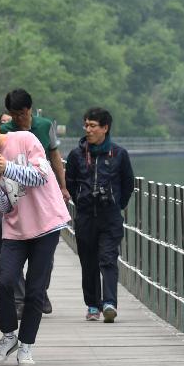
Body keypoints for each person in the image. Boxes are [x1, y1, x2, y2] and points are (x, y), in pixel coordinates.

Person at [0, 115, 70, 366]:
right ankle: (9, 335)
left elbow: (41, 177)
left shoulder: (25, 139)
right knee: (4, 282)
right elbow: (4, 208)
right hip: (15, 230)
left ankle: (26, 345)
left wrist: (7, 168)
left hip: (46, 224)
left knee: (35, 290)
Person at [0, 88, 68, 315]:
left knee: (44, 256)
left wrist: (63, 186)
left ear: (29, 109)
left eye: (21, 113)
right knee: (14, 252)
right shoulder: (5, 132)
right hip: (16, 197)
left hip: (43, 196)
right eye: (13, 114)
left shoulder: (44, 126)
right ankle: (21, 301)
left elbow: (55, 156)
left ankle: (39, 291)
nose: (17, 118)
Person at [65, 107, 134, 323]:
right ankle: (92, 304)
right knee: (88, 261)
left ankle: (109, 303)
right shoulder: (77, 155)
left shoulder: (119, 154)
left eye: (93, 126)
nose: (88, 129)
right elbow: (70, 182)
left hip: (110, 216)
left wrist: (117, 205)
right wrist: (81, 199)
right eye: (86, 125)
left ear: (105, 128)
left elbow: (128, 184)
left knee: (108, 259)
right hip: (85, 216)